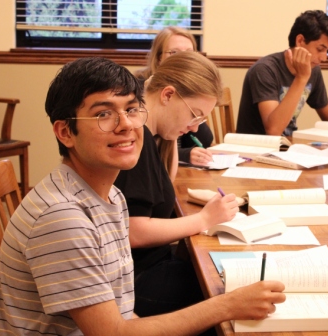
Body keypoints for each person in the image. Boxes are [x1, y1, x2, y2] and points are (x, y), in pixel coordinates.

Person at [0, 57, 286, 336]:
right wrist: (226, 305)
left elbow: (122, 311)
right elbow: (113, 332)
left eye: (132, 110)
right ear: (65, 132)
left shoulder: (112, 196)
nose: (127, 125)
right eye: (103, 114)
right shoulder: (63, 219)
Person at [114, 52, 240, 324]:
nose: (193, 128)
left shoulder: (152, 134)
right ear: (167, 95)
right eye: (195, 115)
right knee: (226, 297)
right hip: (134, 278)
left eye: (200, 121)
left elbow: (164, 189)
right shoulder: (137, 139)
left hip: (146, 266)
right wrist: (205, 219)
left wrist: (172, 132)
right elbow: (134, 231)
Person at [236, 10, 328, 136]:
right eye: (320, 49)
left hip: (287, 146)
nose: (324, 58)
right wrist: (302, 77)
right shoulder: (265, 69)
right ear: (300, 41)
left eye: (327, 51)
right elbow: (273, 130)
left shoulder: (313, 70)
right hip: (255, 150)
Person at [138, 26, 214, 167]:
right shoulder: (140, 94)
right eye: (175, 52)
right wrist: (185, 154)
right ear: (159, 58)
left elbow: (204, 139)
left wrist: (198, 113)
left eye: (190, 54)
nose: (185, 59)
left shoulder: (187, 97)